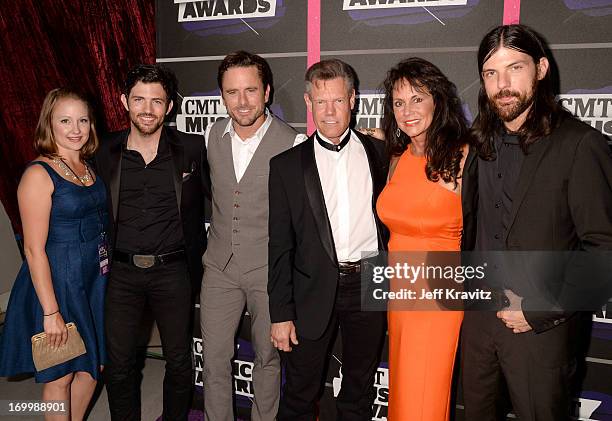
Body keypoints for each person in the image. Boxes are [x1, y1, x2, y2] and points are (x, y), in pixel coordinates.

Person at [461, 24, 612, 420]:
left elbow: (604, 248)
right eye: (491, 73)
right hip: (478, 326)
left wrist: (540, 310)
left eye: (515, 68)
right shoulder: (479, 142)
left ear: (541, 69)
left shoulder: (580, 144)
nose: (503, 84)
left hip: (539, 332)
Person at [268, 59, 388, 421]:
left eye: (337, 100)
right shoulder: (286, 165)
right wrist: (280, 314)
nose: (330, 111)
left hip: (369, 282)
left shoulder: (380, 153)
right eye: (321, 102)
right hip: (311, 290)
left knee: (359, 388)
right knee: (300, 392)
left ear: (353, 99)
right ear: (308, 103)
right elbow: (279, 245)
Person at [95, 64, 209, 421]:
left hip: (173, 271)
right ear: (124, 101)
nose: (147, 109)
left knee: (178, 362)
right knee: (119, 365)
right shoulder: (103, 151)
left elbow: (218, 198)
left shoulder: (192, 147)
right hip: (121, 274)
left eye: (157, 101)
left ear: (169, 107)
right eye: (139, 99)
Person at [200, 51, 305, 421]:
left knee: (267, 358)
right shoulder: (212, 135)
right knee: (213, 360)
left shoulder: (293, 144)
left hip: (268, 271)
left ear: (267, 92)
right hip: (219, 268)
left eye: (250, 91)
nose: (241, 101)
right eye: (232, 92)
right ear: (222, 95)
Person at [375, 57, 473, 420]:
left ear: (438, 101)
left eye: (417, 99)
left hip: (438, 296)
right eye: (398, 102)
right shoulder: (398, 158)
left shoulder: (462, 157)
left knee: (425, 394)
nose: (407, 110)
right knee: (404, 390)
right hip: (399, 292)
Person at [0, 88, 107, 420]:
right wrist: (51, 312)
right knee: (60, 374)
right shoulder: (37, 174)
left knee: (92, 368)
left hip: (94, 282)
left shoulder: (87, 166)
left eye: (82, 120)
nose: (75, 129)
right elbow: (33, 249)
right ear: (49, 124)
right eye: (65, 120)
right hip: (57, 285)